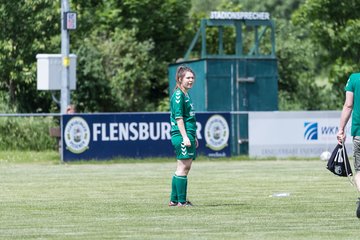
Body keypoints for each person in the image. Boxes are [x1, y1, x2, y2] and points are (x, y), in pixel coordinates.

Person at [168, 65, 198, 207]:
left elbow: (188, 118)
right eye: (188, 78)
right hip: (182, 136)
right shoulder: (179, 95)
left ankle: (174, 200)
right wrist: (185, 137)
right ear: (180, 79)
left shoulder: (185, 94)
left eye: (192, 78)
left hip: (187, 134)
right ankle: (182, 201)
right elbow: (179, 118)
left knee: (181, 167)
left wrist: (193, 136)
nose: (191, 80)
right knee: (184, 168)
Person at [337, 72, 360, 218]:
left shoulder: (354, 78)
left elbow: (348, 104)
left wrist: (341, 129)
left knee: (359, 170)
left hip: (359, 133)